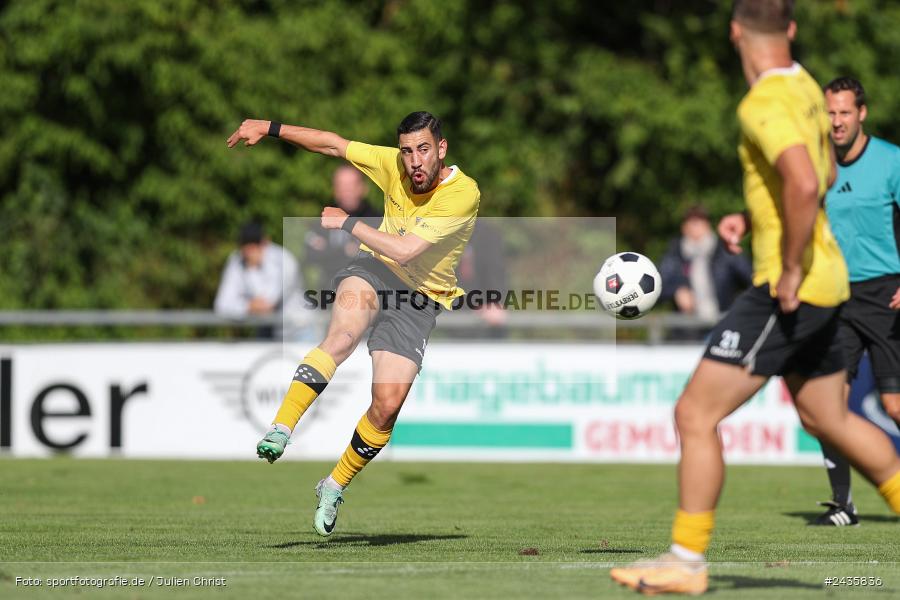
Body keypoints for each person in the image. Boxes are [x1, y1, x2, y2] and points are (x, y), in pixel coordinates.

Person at [609, 1, 900, 595]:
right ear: (790, 30)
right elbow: (814, 175)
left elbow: (801, 179)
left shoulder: (762, 100)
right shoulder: (809, 87)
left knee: (694, 413)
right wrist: (759, 220)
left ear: (735, 32)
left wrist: (788, 264)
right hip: (829, 279)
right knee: (827, 416)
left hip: (790, 287)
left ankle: (685, 563)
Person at [227, 111, 480, 536]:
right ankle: (282, 426)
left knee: (387, 405)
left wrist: (348, 223)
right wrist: (270, 128)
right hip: (375, 271)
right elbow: (331, 141)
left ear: (441, 149)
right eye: (406, 151)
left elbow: (406, 252)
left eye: (422, 150)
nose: (414, 161)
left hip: (420, 298)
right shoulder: (392, 165)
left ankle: (333, 484)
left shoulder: (463, 193)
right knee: (341, 337)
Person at [812, 76, 900, 526]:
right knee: (829, 409)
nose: (837, 121)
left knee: (894, 406)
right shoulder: (817, 163)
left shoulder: (891, 161)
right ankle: (843, 503)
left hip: (888, 296)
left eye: (845, 112)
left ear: (861, 113)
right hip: (836, 298)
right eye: (830, 112)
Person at [658, 205, 752, 322]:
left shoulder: (724, 251)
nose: (696, 226)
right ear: (684, 227)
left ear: (708, 225)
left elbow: (751, 279)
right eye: (692, 222)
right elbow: (657, 285)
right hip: (687, 328)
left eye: (700, 221)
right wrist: (676, 291)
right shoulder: (674, 254)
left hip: (722, 322)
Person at [213, 221, 302, 338]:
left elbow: (268, 304)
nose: (249, 252)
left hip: (299, 329)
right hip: (266, 329)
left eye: (254, 245)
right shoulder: (236, 261)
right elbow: (222, 306)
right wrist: (248, 306)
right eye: (246, 246)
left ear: (265, 242)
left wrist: (244, 306)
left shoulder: (284, 260)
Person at [305, 165, 382, 291]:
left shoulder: (378, 220)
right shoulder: (324, 219)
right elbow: (310, 256)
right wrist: (346, 251)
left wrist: (329, 249)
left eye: (351, 186)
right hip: (327, 292)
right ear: (334, 189)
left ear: (363, 188)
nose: (347, 191)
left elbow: (378, 261)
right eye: (341, 186)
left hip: (368, 291)